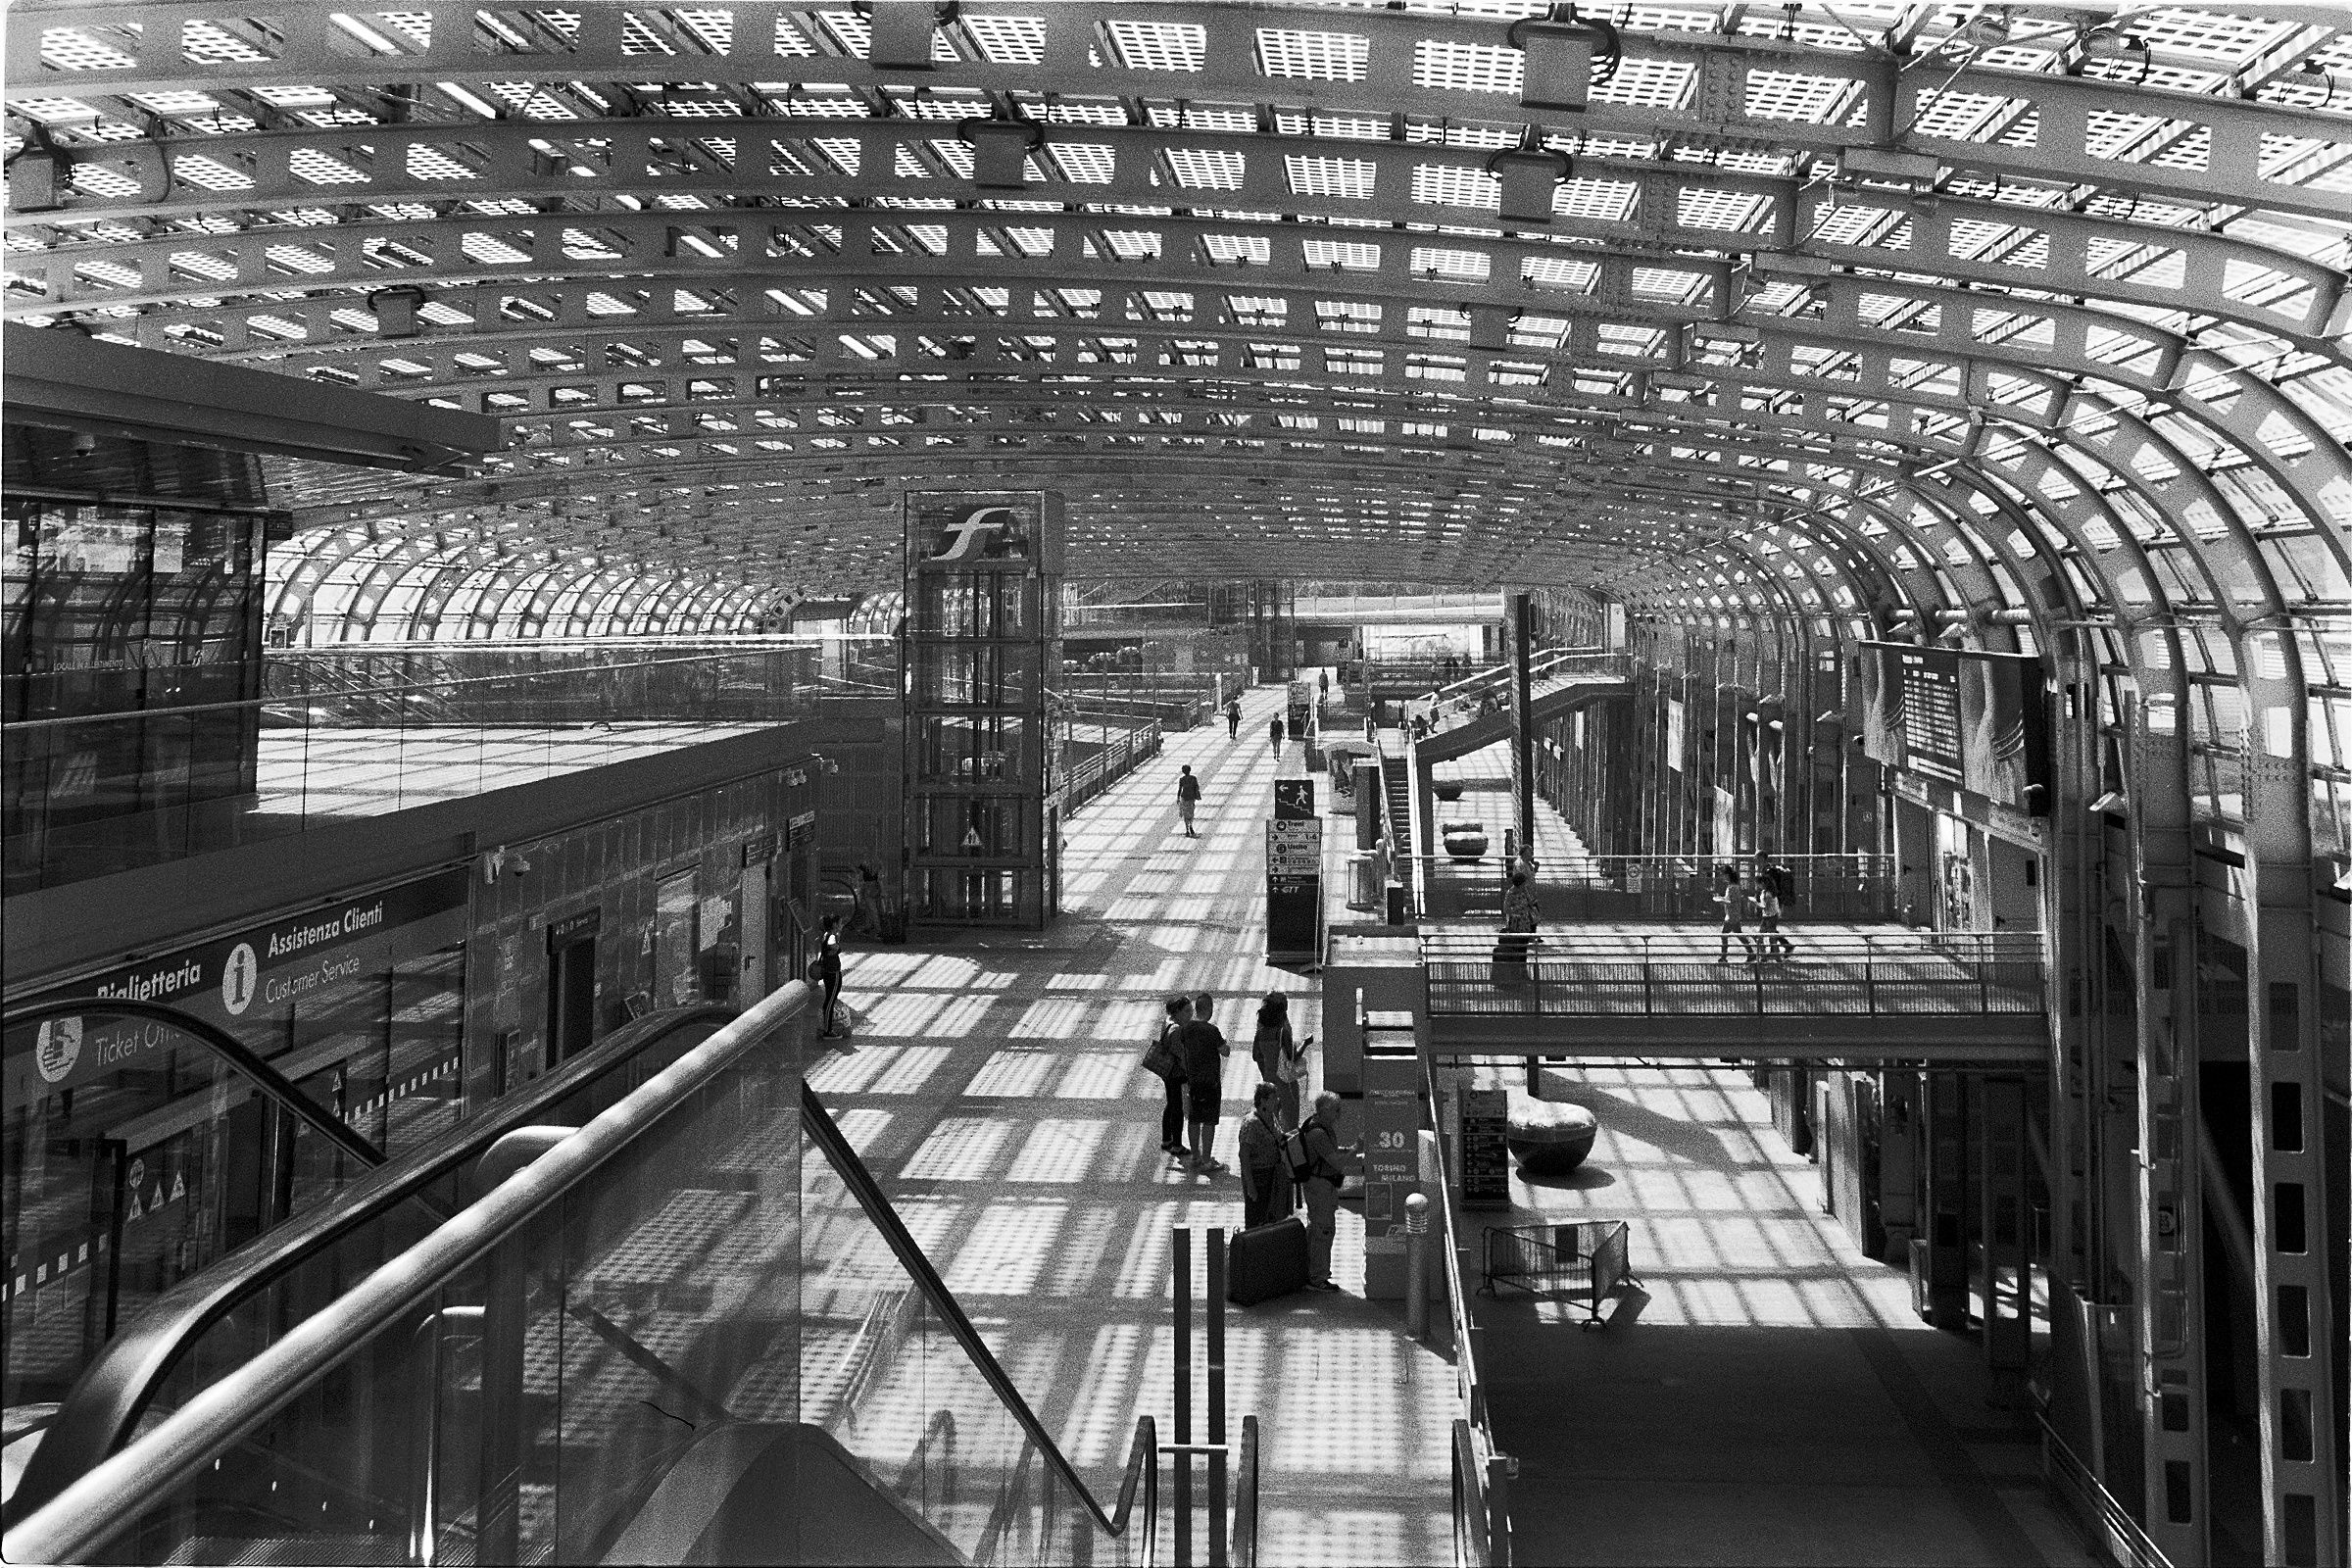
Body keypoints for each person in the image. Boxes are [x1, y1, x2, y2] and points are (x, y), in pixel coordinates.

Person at [1298, 1091, 1348, 1292]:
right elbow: (1335, 1163)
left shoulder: (1320, 1127)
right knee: (1323, 1230)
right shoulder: (1318, 1133)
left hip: (1321, 1186)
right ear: (1325, 1110)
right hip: (1319, 1187)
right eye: (1336, 1110)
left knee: (1318, 1228)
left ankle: (1312, 1271)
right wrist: (1355, 1151)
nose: (1339, 1114)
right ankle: (1317, 1277)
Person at [1180, 991, 1231, 1173]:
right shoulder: (1212, 1031)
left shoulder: (1186, 1029)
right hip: (1210, 1083)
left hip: (1193, 1081)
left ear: (1196, 1009)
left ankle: (1195, 1155)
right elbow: (1225, 1051)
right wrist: (1225, 1042)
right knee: (1209, 1121)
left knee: (1194, 1119)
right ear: (1209, 1009)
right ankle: (1207, 1160)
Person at [1236, 1082, 1294, 1230]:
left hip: (1273, 1173)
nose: (1277, 1101)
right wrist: (1250, 1186)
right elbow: (1244, 1156)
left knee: (1271, 1215)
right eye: (1274, 1098)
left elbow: (1278, 1137)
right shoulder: (1251, 1123)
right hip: (1258, 1175)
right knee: (1256, 1217)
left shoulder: (1271, 1116)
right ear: (1263, 1101)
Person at [1251, 991, 1306, 1127]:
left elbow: (1256, 1055)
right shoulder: (1282, 1032)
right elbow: (1292, 1058)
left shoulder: (1261, 1033)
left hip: (1269, 1081)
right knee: (1291, 1124)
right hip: (1286, 1083)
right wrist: (1306, 1043)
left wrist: (1266, 1070)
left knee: (1272, 1123)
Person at [1150, 995, 1191, 1164]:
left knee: (1171, 1103)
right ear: (1178, 1011)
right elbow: (1180, 1054)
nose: (1190, 1014)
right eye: (1187, 1011)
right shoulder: (1177, 1030)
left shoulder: (1168, 1022)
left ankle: (1167, 1139)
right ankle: (1177, 1144)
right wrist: (1189, 1070)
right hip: (1175, 1073)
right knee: (1177, 1107)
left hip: (1167, 1071)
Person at [1496, 870, 1540, 983]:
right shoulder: (1510, 893)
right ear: (1520, 883)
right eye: (1524, 883)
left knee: (1523, 948)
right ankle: (1516, 974)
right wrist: (1517, 910)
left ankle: (1523, 973)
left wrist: (1530, 902)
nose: (1525, 885)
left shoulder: (1524, 891)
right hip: (1516, 923)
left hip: (1525, 923)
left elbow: (1530, 903)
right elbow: (1506, 909)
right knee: (1517, 947)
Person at [812, 913, 846, 1038]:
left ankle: (826, 1027)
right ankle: (828, 1030)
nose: (841, 926)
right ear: (834, 924)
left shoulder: (826, 935)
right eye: (840, 923)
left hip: (828, 971)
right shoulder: (832, 936)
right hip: (833, 972)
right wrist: (836, 947)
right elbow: (832, 946)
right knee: (830, 1000)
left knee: (829, 1000)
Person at [1715, 864, 1756, 964]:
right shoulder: (1733, 886)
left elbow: (1732, 901)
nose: (1722, 877)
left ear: (1727, 875)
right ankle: (1750, 952)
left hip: (1732, 915)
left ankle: (1724, 957)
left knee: (1724, 935)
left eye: (1723, 875)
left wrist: (1721, 901)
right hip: (1732, 913)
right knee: (1738, 933)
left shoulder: (1732, 887)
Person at [852, 861, 884, 937]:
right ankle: (868, 926)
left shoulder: (865, 865)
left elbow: (857, 868)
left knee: (871, 909)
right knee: (870, 909)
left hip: (868, 887)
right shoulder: (876, 864)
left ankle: (878, 929)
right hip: (875, 887)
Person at [1176, 763, 1202, 838]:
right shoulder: (1194, 778)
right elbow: (1196, 787)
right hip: (1191, 798)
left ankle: (1187, 829)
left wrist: (1178, 798)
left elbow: (1180, 789)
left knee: (1185, 814)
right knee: (1191, 813)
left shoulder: (1182, 779)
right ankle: (1191, 826)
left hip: (1184, 798)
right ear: (1190, 770)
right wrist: (1197, 796)